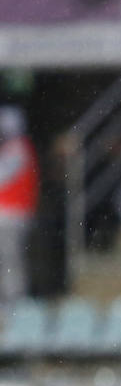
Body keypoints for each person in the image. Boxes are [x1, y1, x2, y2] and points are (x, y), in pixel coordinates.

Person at [0, 108, 38, 302]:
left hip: (12, 215)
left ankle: (14, 301)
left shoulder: (18, 147)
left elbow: (3, 175)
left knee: (10, 260)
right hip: (8, 215)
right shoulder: (13, 147)